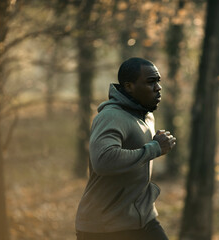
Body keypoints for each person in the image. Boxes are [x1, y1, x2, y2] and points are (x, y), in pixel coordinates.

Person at [75, 57, 177, 240]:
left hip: (143, 219)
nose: (158, 88)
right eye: (150, 82)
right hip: (104, 227)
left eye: (158, 81)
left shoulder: (145, 116)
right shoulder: (110, 116)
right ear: (129, 86)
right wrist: (154, 148)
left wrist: (154, 144)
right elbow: (103, 161)